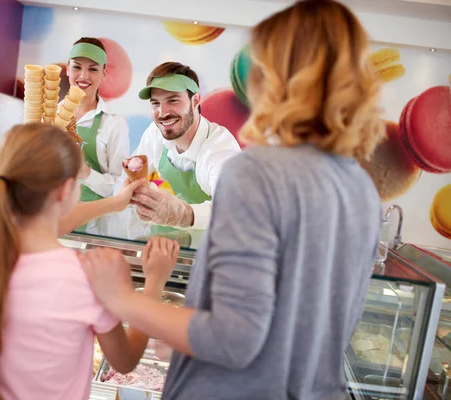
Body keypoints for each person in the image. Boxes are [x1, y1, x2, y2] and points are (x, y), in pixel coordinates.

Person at [80, 0, 385, 398]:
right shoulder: (360, 189)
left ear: (274, 76)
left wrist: (121, 299)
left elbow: (232, 340)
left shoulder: (254, 171)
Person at [0, 123, 181, 400]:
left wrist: (116, 203)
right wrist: (154, 283)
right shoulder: (83, 276)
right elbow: (124, 360)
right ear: (66, 190)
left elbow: (43, 224)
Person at [127, 62, 241, 229]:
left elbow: (232, 209)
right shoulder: (155, 133)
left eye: (173, 100)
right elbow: (139, 172)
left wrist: (183, 215)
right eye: (155, 103)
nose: (163, 113)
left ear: (195, 100)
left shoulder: (219, 150)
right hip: (166, 239)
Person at [65, 37, 129, 202]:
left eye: (93, 69)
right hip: (48, 215)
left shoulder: (114, 124)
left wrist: (85, 172)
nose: (83, 76)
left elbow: (120, 186)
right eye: (76, 67)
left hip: (93, 222)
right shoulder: (48, 114)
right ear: (67, 69)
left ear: (104, 73)